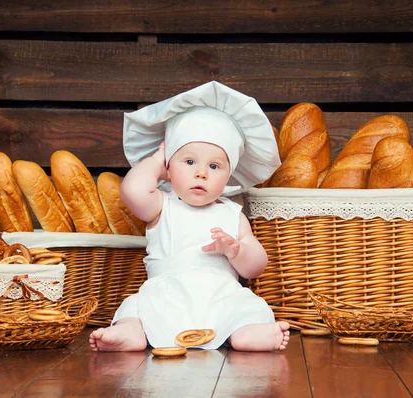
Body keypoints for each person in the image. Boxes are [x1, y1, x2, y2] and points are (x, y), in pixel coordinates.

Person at [89, 81, 289, 352]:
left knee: (244, 308)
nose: (201, 173)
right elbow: (132, 190)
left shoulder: (232, 214)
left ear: (228, 176)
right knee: (136, 308)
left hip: (221, 296)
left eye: (215, 165)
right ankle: (130, 333)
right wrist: (159, 158)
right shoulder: (162, 205)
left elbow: (256, 266)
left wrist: (237, 250)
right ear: (168, 169)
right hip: (165, 295)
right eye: (189, 161)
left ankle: (248, 333)